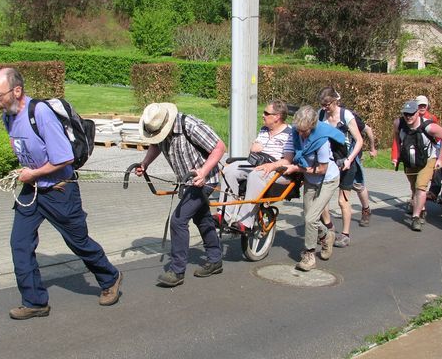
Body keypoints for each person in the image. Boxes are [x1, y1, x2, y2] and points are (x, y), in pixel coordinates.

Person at [0, 68, 123, 320]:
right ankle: (35, 301)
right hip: (34, 189)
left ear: (17, 91)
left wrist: (33, 173)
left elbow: (64, 157)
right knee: (19, 243)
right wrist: (28, 172)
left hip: (60, 189)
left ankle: (110, 277)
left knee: (78, 242)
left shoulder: (39, 113)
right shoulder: (8, 117)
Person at [136, 103, 226, 287]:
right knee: (202, 219)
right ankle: (215, 259)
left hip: (204, 179)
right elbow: (156, 145)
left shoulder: (191, 125)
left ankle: (177, 271)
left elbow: (219, 147)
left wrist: (203, 171)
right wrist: (145, 164)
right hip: (186, 181)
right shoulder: (159, 130)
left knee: (178, 220)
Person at [261, 105, 342, 271]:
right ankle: (327, 236)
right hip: (310, 178)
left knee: (311, 218)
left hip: (327, 179)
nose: (300, 134)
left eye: (304, 131)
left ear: (312, 127)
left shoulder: (322, 141)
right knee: (308, 216)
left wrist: (297, 169)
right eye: (298, 130)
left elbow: (322, 169)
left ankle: (309, 254)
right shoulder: (296, 132)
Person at [217, 99, 292, 231]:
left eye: (266, 113)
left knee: (256, 175)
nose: (262, 115)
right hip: (257, 162)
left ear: (277, 117)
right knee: (229, 170)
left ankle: (245, 222)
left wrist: (271, 166)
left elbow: (287, 160)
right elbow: (254, 149)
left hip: (276, 168)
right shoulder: (264, 130)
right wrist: (254, 148)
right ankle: (223, 215)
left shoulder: (290, 134)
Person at [316, 87, 373, 249]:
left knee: (342, 200)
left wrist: (349, 160)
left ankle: (346, 234)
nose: (325, 107)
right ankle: (329, 227)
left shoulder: (345, 115)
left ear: (335, 101)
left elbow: (359, 141)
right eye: (322, 104)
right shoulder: (321, 115)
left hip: (346, 160)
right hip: (328, 160)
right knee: (322, 198)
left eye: (327, 104)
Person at [392, 100, 442, 232]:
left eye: (411, 114)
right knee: (414, 188)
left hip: (428, 159)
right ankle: (421, 210)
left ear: (417, 113)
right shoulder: (398, 123)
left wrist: (440, 159)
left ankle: (415, 217)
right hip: (410, 160)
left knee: (420, 186)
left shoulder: (429, 127)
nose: (408, 117)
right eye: (406, 114)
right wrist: (396, 156)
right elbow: (396, 138)